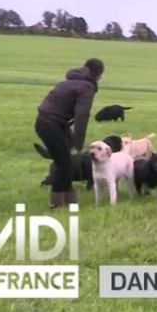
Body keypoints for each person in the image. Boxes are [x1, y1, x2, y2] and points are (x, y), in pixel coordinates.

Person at [35, 58, 104, 209]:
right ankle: (57, 202)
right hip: (50, 125)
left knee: (65, 160)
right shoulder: (86, 87)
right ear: (99, 76)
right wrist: (79, 144)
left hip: (52, 123)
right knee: (64, 163)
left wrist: (73, 141)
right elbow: (81, 116)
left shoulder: (72, 80)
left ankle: (69, 198)